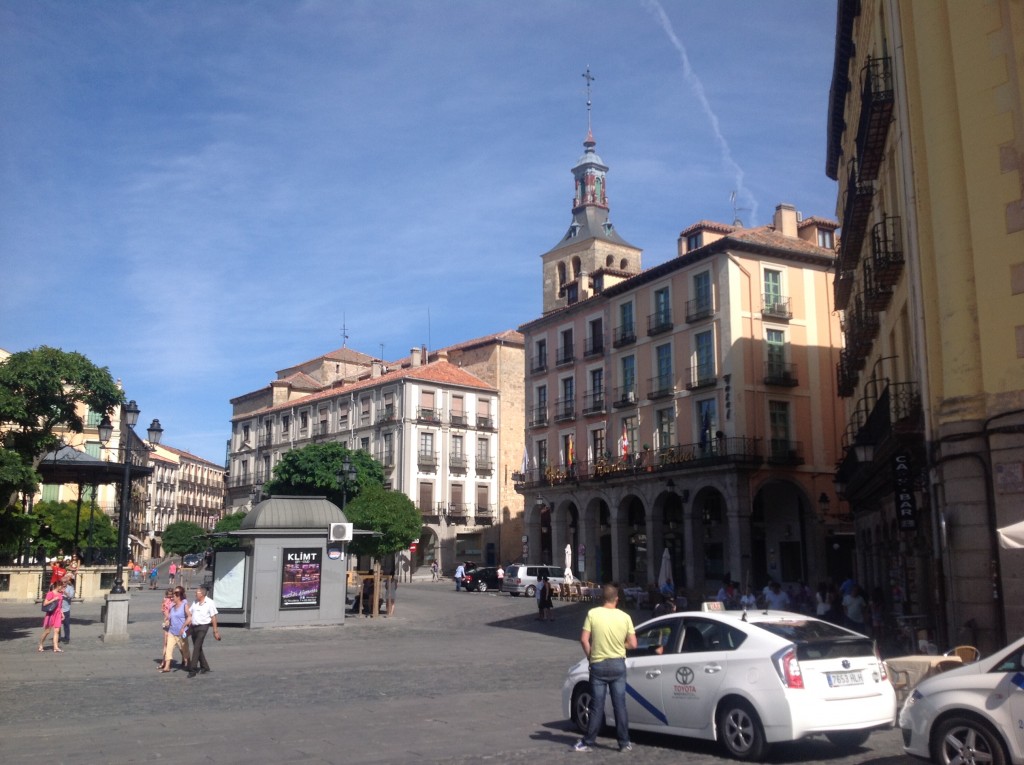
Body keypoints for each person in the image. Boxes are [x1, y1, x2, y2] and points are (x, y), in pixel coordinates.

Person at [574, 584, 637, 752]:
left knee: (597, 705)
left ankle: (589, 742)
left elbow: (584, 639)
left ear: (603, 598)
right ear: (616, 599)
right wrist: (619, 644)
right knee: (620, 705)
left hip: (599, 664)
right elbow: (633, 643)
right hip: (617, 664)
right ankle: (624, 742)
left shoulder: (593, 614)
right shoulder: (625, 617)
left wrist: (590, 656)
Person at [186, 585, 220, 678]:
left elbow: (213, 617)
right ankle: (205, 666)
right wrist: (186, 628)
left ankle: (192, 669)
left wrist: (215, 631)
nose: (195, 593)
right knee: (198, 647)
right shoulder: (195, 602)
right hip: (194, 627)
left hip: (203, 627)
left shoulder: (210, 603)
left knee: (196, 647)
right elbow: (190, 614)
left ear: (202, 594)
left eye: (197, 592)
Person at [160, 587, 191, 672]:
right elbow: (169, 616)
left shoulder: (184, 605)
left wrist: (183, 627)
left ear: (178, 597)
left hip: (181, 632)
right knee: (169, 649)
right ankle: (167, 667)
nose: (172, 598)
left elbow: (189, 617)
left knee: (184, 649)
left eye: (174, 596)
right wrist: (167, 621)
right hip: (172, 631)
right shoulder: (172, 606)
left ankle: (188, 663)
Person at [37, 582, 64, 653]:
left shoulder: (60, 594)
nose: (62, 588)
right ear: (57, 586)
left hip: (58, 614)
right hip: (51, 614)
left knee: (57, 631)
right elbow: (45, 603)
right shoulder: (50, 593)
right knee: (47, 631)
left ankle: (56, 647)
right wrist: (53, 599)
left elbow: (60, 606)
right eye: (61, 586)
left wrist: (62, 613)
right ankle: (41, 644)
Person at [60, 575, 74, 643]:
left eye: (65, 582)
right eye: (62, 582)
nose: (63, 583)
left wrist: (64, 592)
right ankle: (58, 637)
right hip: (58, 609)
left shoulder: (70, 588)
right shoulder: (59, 587)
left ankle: (67, 638)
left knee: (66, 624)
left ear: (67, 582)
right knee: (58, 625)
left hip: (66, 609)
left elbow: (71, 596)